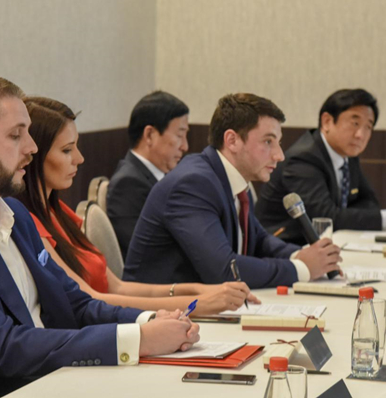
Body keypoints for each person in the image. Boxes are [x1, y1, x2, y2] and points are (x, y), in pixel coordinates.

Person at [0, 72, 199, 398]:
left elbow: (74, 303)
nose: (32, 148)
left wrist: (148, 320)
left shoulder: (16, 215)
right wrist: (141, 341)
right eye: (15, 135)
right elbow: (5, 348)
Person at [18, 96, 258, 315]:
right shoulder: (28, 222)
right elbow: (89, 299)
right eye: (67, 150)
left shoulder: (60, 213)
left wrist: (200, 291)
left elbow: (118, 286)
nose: (80, 158)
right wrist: (197, 304)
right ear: (33, 154)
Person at [124, 93, 342, 289]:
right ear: (232, 140)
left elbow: (259, 240)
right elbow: (224, 270)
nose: (279, 155)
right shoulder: (193, 184)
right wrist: (301, 269)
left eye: (279, 143)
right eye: (268, 141)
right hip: (162, 315)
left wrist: (301, 255)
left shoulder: (229, 178)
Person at [255, 89, 386, 245]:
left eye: (368, 126)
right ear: (327, 122)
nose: (361, 134)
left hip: (321, 246)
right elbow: (325, 217)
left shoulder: (347, 156)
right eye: (355, 123)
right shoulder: (303, 159)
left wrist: (343, 215)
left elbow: (370, 203)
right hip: (281, 248)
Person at [107, 91, 189, 258]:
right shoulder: (127, 185)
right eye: (180, 135)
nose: (185, 146)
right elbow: (147, 255)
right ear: (150, 135)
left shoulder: (164, 178)